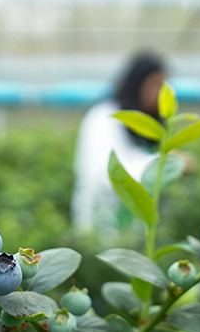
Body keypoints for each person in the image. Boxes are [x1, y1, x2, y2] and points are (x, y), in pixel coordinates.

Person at [71, 53, 167, 232]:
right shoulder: (104, 117)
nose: (160, 94)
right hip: (101, 224)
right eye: (155, 85)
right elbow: (106, 176)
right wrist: (165, 164)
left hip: (132, 229)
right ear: (136, 84)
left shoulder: (141, 124)